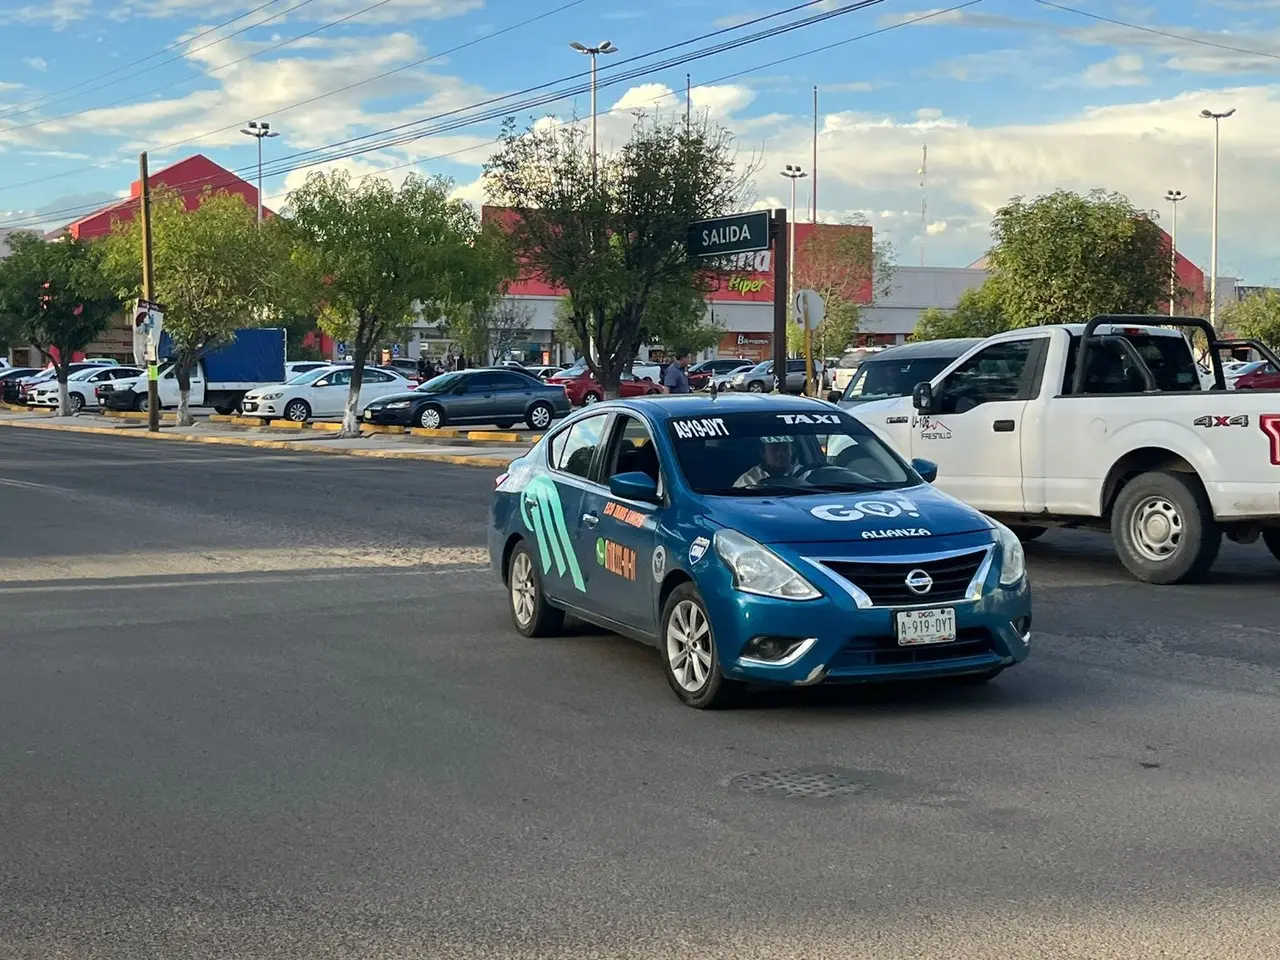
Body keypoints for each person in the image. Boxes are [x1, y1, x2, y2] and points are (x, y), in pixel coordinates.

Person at [733, 436, 809, 488]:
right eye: (774, 449)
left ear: (792, 452)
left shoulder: (807, 474)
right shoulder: (748, 480)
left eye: (785, 449)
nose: (780, 454)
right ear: (763, 453)